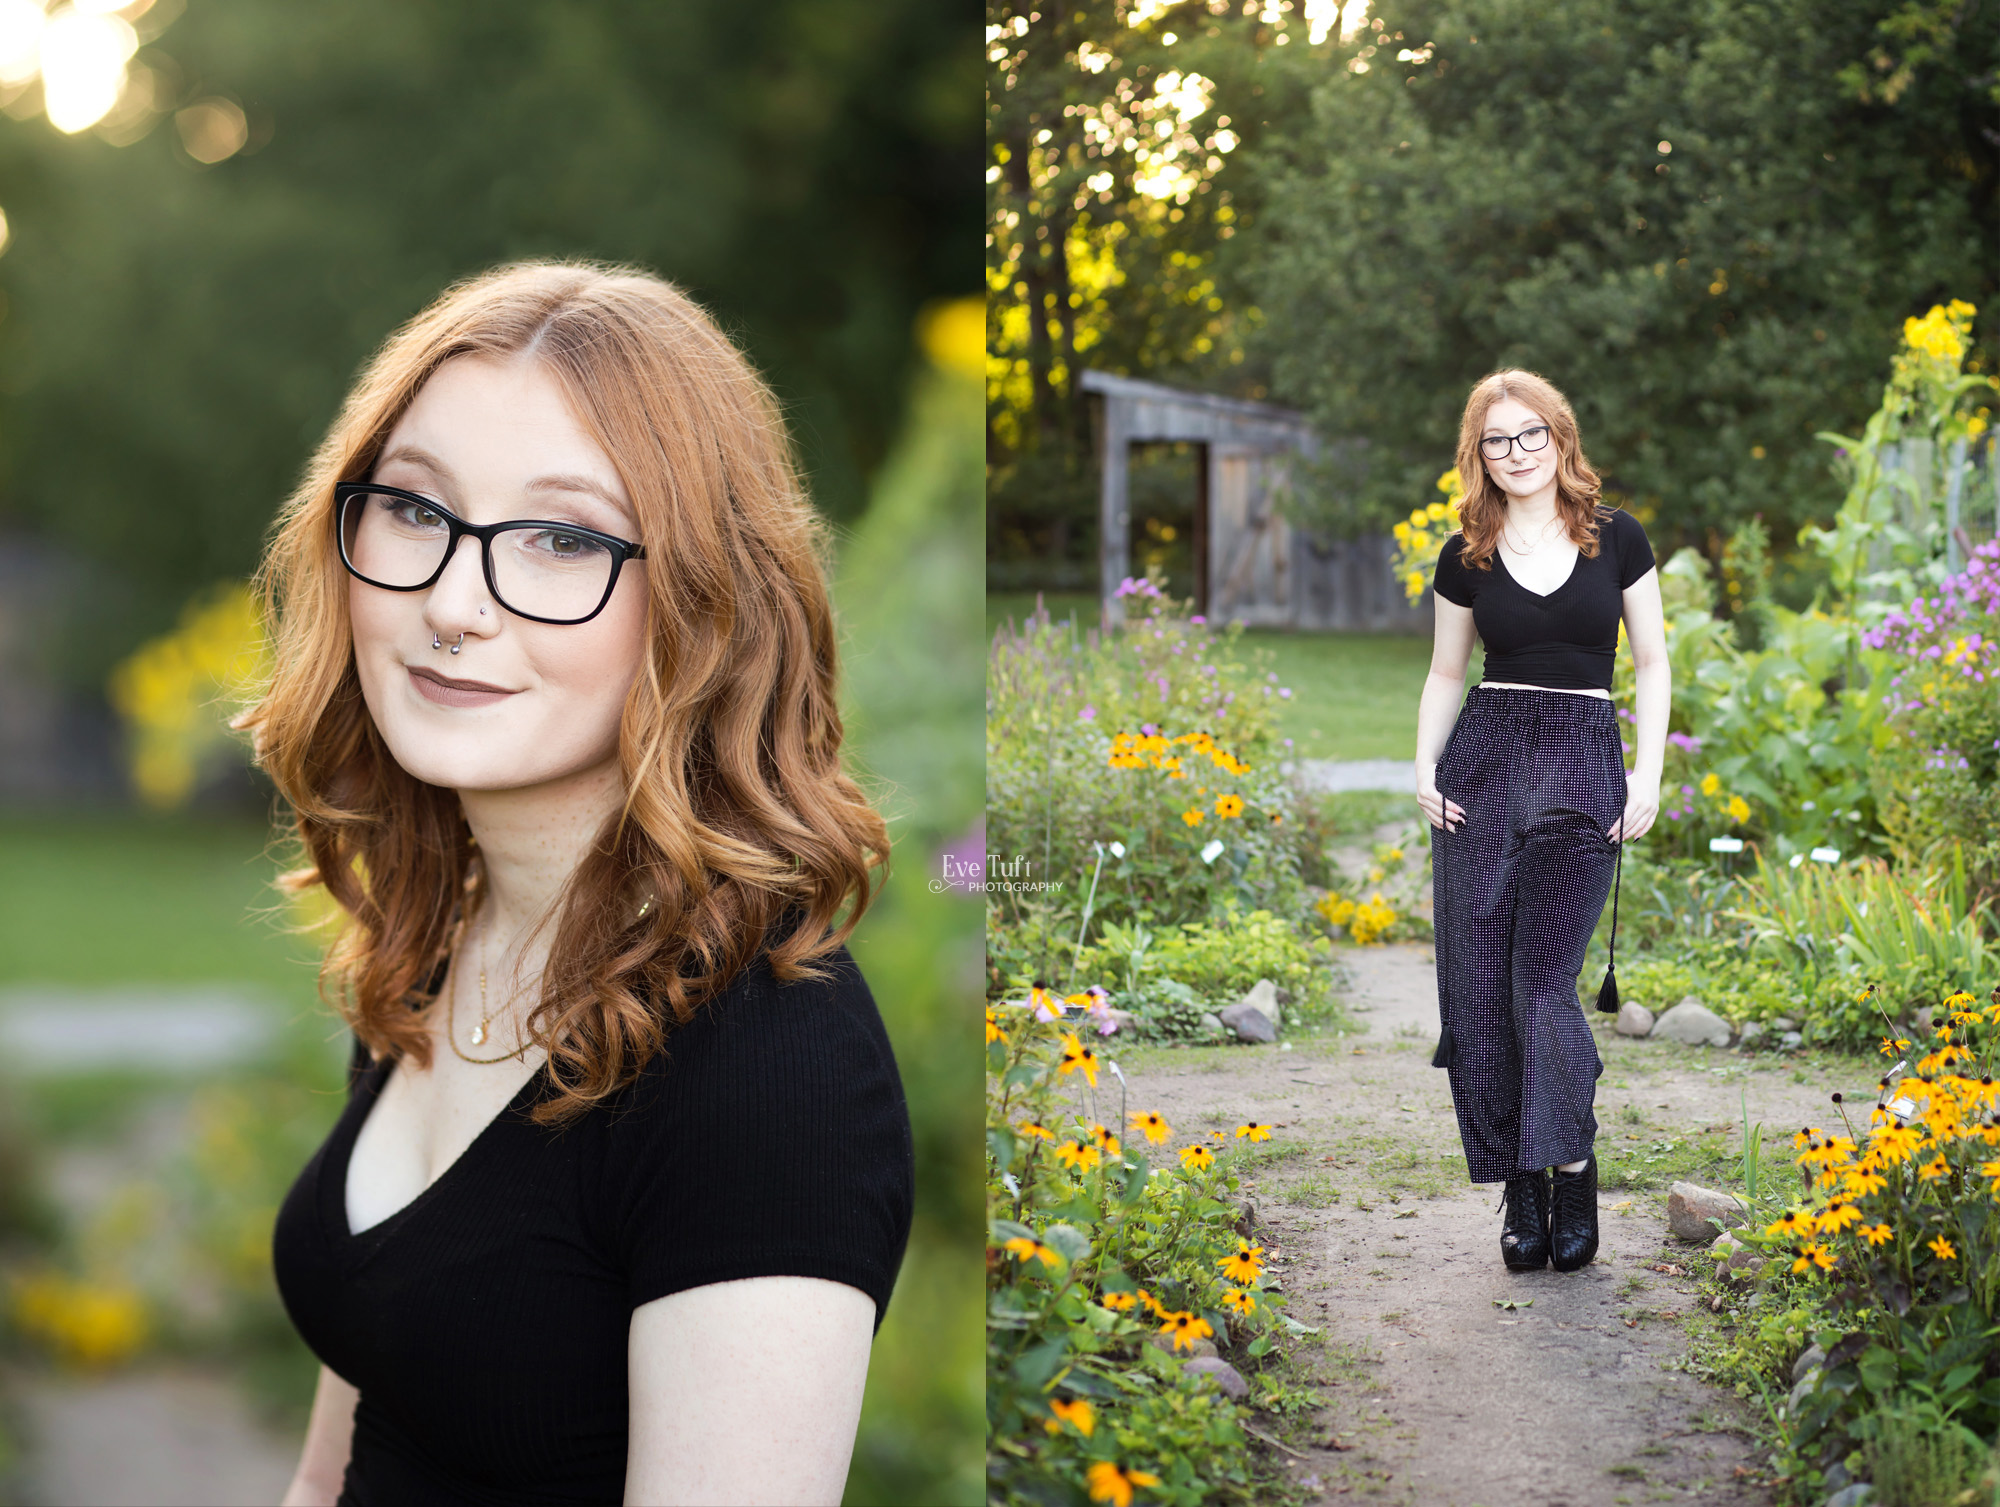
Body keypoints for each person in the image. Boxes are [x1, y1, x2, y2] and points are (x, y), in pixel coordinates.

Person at [245, 260, 915, 1506]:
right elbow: (345, 1458)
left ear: (709, 605)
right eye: (415, 508)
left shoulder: (768, 1072)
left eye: (563, 539)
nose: (451, 601)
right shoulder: (447, 937)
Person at [1412, 369, 1668, 1275]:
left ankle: (1570, 1166)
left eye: (1531, 435)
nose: (1516, 452)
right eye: (1497, 440)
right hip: (1483, 764)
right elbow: (1447, 672)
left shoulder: (1618, 538)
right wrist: (1422, 767)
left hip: (1581, 760)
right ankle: (1522, 1187)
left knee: (1544, 981)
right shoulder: (1465, 554)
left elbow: (1652, 661)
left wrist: (1647, 773)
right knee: (1480, 984)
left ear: (1560, 438)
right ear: (1477, 454)